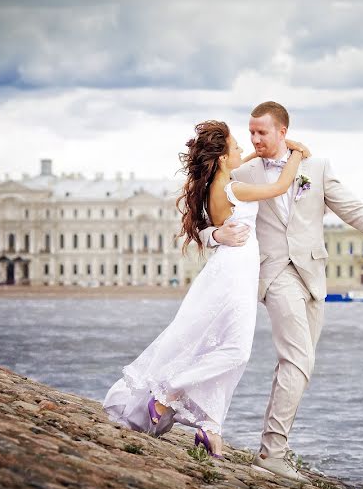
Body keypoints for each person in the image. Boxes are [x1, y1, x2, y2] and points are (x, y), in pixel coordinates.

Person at [200, 101, 363, 481]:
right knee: (300, 358)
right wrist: (215, 234)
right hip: (273, 273)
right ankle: (273, 453)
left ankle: (268, 447)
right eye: (250, 132)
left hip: (314, 277)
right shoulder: (243, 169)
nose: (254, 139)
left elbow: (355, 210)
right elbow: (205, 215)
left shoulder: (316, 168)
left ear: (282, 132)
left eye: (261, 132)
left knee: (295, 365)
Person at [102, 120, 310, 458]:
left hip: (228, 270)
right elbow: (281, 185)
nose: (243, 150)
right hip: (234, 274)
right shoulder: (233, 188)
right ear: (225, 158)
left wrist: (216, 234)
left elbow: (208, 225)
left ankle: (211, 427)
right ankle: (168, 393)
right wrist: (298, 154)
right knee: (237, 351)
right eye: (237, 147)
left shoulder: (217, 185)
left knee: (216, 344)